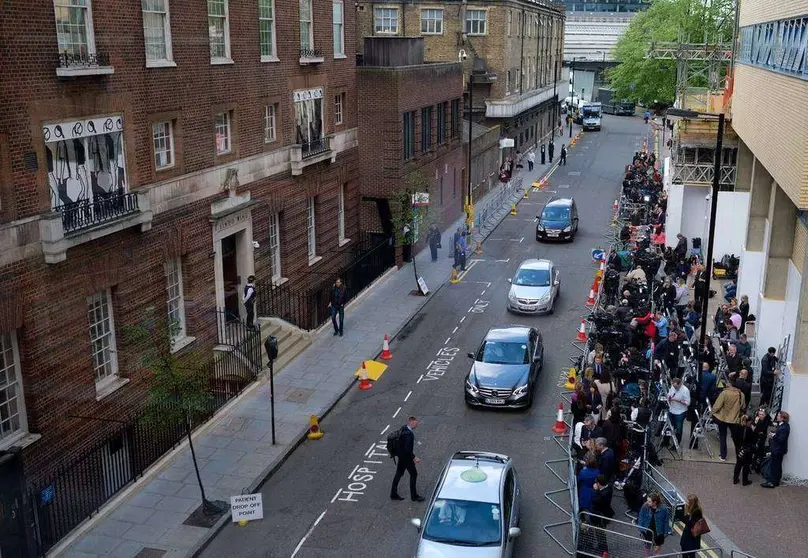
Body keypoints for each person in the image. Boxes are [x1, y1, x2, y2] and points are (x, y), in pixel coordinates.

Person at [390, 416, 424, 501]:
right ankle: (414, 496)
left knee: (399, 473)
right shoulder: (409, 435)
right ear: (411, 422)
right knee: (414, 474)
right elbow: (408, 449)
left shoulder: (404, 427)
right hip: (406, 458)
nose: (417, 426)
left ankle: (393, 493)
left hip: (401, 456)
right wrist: (414, 457)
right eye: (416, 424)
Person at [711, 380, 745, 461]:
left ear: (729, 385)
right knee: (736, 439)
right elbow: (743, 406)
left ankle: (723, 455)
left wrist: (712, 413)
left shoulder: (724, 393)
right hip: (735, 419)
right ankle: (739, 455)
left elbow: (717, 405)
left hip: (723, 418)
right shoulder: (741, 394)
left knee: (723, 436)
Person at [762, 411, 790, 488]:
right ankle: (776, 481)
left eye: (778, 416)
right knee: (777, 466)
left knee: (775, 466)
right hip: (778, 449)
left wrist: (773, 436)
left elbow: (781, 439)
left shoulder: (784, 428)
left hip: (778, 450)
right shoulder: (784, 426)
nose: (777, 417)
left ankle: (772, 482)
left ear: (782, 418)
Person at [733, 415, 756, 486]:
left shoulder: (737, 427)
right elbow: (753, 440)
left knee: (738, 464)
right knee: (746, 465)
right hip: (747, 450)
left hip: (738, 448)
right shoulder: (749, 430)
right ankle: (745, 481)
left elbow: (734, 437)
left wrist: (737, 446)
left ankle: (735, 479)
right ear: (748, 422)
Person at [667, 377, 690, 446]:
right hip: (672, 410)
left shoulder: (685, 390)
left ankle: (676, 444)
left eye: (676, 387)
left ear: (680, 384)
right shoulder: (673, 387)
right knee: (669, 426)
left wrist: (679, 401)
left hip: (680, 412)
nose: (675, 388)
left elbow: (688, 403)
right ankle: (666, 442)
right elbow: (669, 394)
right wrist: (669, 398)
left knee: (678, 429)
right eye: (674, 386)